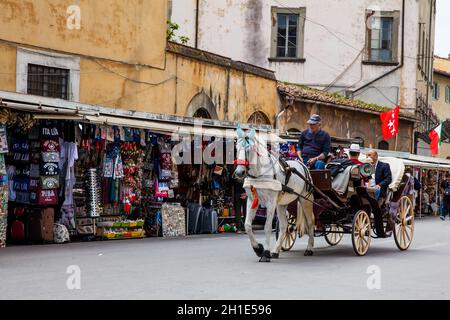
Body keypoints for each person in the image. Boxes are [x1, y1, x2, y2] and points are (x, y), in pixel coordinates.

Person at [366, 149, 393, 234]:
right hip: (367, 188)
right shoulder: (365, 166)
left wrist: (379, 185)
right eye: (367, 155)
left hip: (378, 190)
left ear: (376, 156)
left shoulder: (384, 166)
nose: (368, 156)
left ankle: (372, 207)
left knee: (376, 190)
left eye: (370, 155)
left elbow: (388, 179)